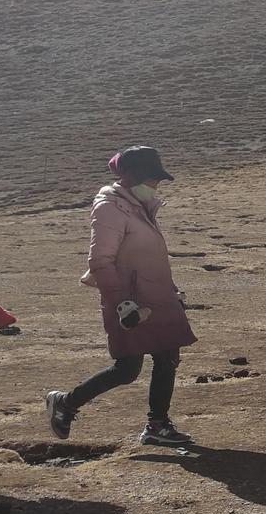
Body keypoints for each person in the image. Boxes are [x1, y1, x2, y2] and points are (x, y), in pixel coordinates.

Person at [45, 146, 197, 446]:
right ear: (133, 178)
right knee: (127, 369)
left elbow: (147, 256)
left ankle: (157, 426)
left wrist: (170, 291)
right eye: (152, 179)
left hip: (156, 297)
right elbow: (100, 262)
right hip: (129, 303)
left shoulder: (140, 205)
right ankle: (64, 402)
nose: (156, 185)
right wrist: (122, 304)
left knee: (167, 356)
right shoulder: (110, 208)